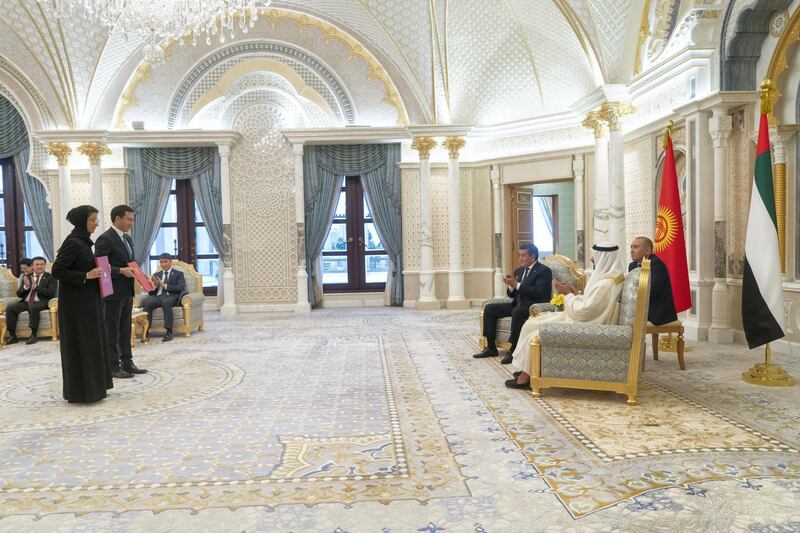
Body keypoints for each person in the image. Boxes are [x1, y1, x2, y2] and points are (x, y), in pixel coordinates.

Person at [504, 243, 626, 389]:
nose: (593, 259)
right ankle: (527, 369)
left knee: (534, 331)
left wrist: (567, 294)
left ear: (605, 259)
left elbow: (584, 311)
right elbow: (591, 304)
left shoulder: (606, 284)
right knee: (532, 322)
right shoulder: (607, 279)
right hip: (584, 317)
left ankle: (526, 377)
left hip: (587, 322)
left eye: (595, 257)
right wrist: (573, 292)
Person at [52, 205, 113, 403]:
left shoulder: (84, 243)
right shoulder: (74, 243)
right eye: (93, 219)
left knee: (92, 345)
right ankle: (84, 392)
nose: (96, 223)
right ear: (82, 221)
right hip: (77, 307)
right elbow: (57, 271)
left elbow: (82, 265)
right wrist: (85, 275)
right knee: (84, 345)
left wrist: (100, 268)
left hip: (88, 303)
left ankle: (94, 388)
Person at [474, 243, 552, 364]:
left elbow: (538, 292)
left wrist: (516, 285)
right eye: (519, 255)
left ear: (532, 257)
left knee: (518, 311)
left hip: (533, 307)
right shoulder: (519, 271)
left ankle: (513, 350)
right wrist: (511, 286)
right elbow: (512, 295)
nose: (519, 258)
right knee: (489, 308)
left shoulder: (544, 271)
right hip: (517, 304)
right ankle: (490, 348)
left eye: (523, 255)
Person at [95, 204, 147, 378]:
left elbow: (131, 264)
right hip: (112, 292)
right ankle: (113, 366)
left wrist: (145, 279)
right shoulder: (105, 239)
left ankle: (127, 362)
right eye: (129, 219)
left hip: (127, 291)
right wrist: (119, 271)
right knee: (112, 330)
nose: (131, 223)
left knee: (125, 328)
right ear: (117, 219)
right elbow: (100, 265)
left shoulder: (127, 239)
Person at [6, 256, 59, 345]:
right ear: (32, 266)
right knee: (10, 308)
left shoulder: (51, 277)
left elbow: (51, 293)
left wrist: (37, 287)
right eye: (37, 264)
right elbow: (19, 294)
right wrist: (26, 287)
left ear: (45, 265)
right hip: (26, 302)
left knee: (33, 307)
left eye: (41, 264)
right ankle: (12, 336)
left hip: (42, 302)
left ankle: (33, 335)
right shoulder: (27, 276)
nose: (39, 266)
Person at [629, 236, 678, 325]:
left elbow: (652, 292)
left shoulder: (657, 264)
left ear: (648, 251)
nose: (632, 250)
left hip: (657, 311)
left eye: (635, 247)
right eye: (631, 247)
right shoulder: (632, 265)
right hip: (641, 307)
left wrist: (632, 294)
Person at [141, 253, 186, 342]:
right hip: (159, 297)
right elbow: (151, 293)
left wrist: (164, 285)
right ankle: (146, 330)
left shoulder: (178, 274)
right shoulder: (156, 274)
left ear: (171, 262)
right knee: (148, 302)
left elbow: (180, 288)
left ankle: (169, 332)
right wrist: (154, 287)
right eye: (161, 262)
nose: (163, 264)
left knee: (166, 302)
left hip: (172, 297)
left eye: (165, 262)